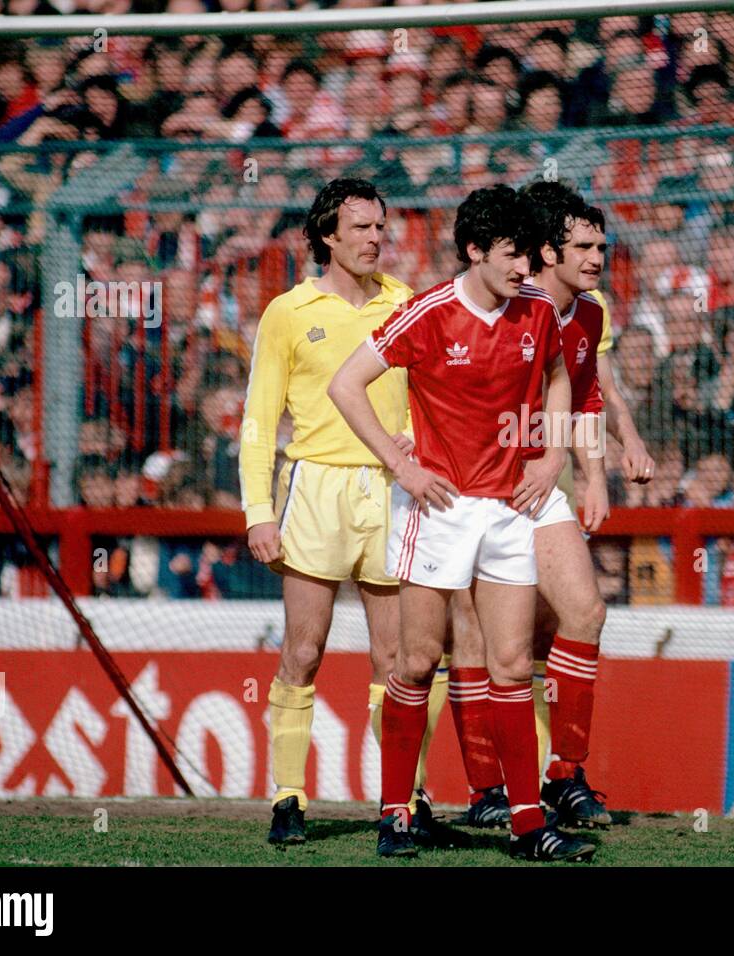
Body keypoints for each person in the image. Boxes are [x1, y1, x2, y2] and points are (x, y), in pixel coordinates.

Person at [331, 184, 594, 861]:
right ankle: (396, 813)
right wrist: (403, 466)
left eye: (531, 259)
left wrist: (555, 452)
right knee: (418, 661)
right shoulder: (427, 314)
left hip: (510, 511)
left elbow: (561, 373)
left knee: (511, 664)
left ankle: (529, 825)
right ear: (476, 251)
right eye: (512, 257)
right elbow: (344, 385)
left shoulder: (537, 308)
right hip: (439, 511)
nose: (526, 272)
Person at [446, 181, 655, 830]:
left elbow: (587, 400)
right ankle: (485, 791)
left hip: (541, 482)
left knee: (583, 612)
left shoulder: (589, 316)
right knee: (472, 639)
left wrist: (593, 476)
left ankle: (563, 774)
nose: (597, 258)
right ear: (548, 252)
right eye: (583, 247)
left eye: (602, 246)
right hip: (471, 482)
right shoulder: (513, 302)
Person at [240, 178, 424, 846]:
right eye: (362, 228)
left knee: (399, 657)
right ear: (327, 235)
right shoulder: (289, 312)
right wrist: (259, 511)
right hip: (315, 489)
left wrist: (421, 443)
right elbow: (260, 421)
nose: (376, 239)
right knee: (304, 648)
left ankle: (402, 802)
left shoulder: (406, 303)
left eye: (381, 227)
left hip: (391, 491)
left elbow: (431, 394)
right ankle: (288, 798)